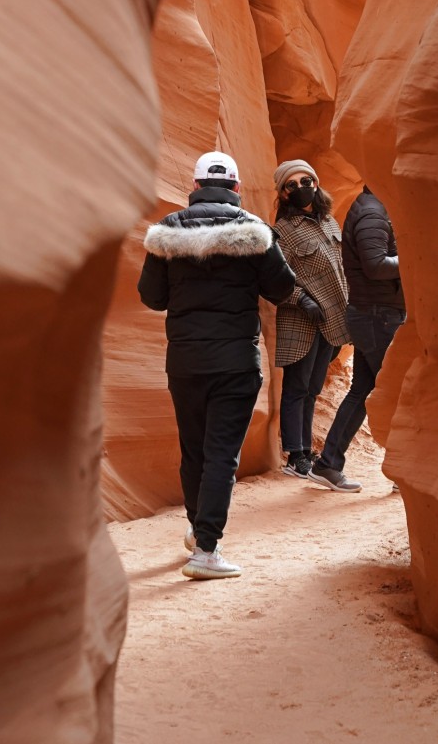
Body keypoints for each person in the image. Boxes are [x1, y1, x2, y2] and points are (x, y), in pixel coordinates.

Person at [138, 150, 296, 579]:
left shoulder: (167, 231)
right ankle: (206, 549)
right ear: (237, 189)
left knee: (194, 450)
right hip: (235, 362)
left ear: (194, 187)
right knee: (221, 455)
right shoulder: (254, 231)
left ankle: (197, 529)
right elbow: (282, 289)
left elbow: (152, 298)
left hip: (185, 361)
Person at [310, 185, 405, 492]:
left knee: (363, 389)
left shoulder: (374, 207)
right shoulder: (372, 212)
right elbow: (376, 265)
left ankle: (328, 464)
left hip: (374, 314)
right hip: (377, 316)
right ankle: (404, 471)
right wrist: (415, 261)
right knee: (394, 392)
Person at [272, 159, 350, 478]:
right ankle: (295, 456)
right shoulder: (281, 232)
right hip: (300, 321)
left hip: (330, 321)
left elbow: (342, 269)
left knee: (313, 389)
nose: (302, 188)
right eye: (292, 185)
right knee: (297, 388)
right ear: (284, 194)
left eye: (307, 182)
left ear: (316, 184)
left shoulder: (331, 223)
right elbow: (273, 280)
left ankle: (306, 449)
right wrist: (300, 299)